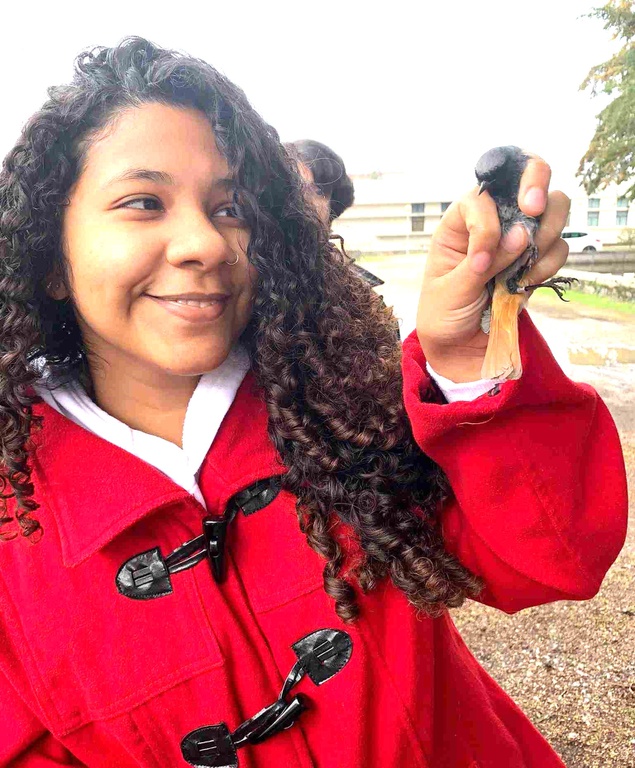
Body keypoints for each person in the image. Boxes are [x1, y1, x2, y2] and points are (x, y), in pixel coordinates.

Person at [0, 38, 626, 768]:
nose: (206, 242)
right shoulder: (15, 513)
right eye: (143, 203)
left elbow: (558, 557)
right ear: (50, 259)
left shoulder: (344, 408)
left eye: (230, 207)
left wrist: (466, 354)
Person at [286, 138, 384, 287]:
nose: (303, 200)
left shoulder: (355, 288)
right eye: (293, 188)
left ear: (332, 203)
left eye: (317, 191)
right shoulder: (255, 271)